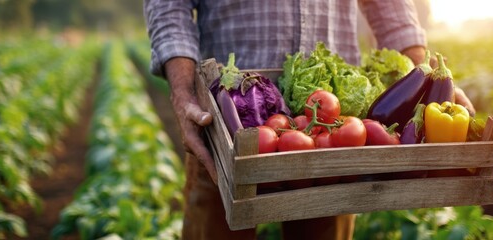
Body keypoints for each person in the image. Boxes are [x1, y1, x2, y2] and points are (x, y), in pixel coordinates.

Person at [144, 1, 474, 239]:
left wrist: (426, 75)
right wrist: (182, 91)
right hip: (221, 123)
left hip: (334, 139)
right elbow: (168, 6)